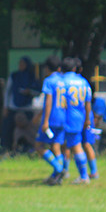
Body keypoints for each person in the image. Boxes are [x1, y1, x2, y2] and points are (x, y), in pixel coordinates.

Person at [36, 56, 67, 185]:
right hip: (63, 117)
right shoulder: (64, 80)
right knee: (56, 146)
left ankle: (59, 169)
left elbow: (48, 101)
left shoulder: (49, 81)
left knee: (39, 145)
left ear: (47, 68)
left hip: (52, 117)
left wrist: (45, 121)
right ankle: (56, 176)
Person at [61, 57, 92, 184]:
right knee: (68, 145)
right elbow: (87, 102)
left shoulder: (62, 81)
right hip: (79, 116)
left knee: (73, 145)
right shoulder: (83, 81)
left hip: (66, 116)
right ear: (74, 68)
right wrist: (87, 119)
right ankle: (64, 171)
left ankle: (84, 176)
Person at [0, 57, 40, 156]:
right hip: (14, 107)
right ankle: (7, 149)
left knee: (28, 131)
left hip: (27, 108)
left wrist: (29, 91)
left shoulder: (32, 77)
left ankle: (28, 149)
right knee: (8, 130)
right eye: (20, 63)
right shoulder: (14, 76)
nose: (20, 66)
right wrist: (5, 107)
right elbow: (7, 92)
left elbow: (38, 92)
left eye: (23, 64)